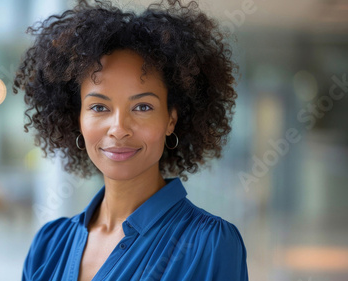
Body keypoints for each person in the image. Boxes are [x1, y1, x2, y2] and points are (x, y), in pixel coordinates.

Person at [13, 0, 248, 280]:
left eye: (142, 107)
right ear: (76, 118)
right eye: (99, 107)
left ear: (171, 119)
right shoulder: (49, 245)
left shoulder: (208, 244)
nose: (119, 128)